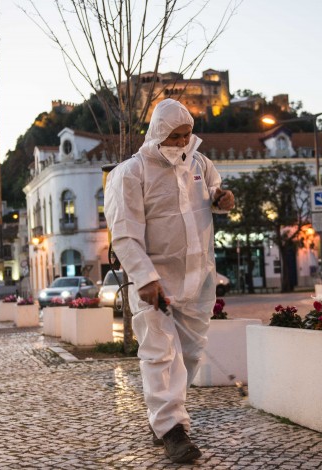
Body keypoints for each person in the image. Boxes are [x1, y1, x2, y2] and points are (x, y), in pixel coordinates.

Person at [104, 98, 235, 464]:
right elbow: (125, 233)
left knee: (190, 354)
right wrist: (144, 277)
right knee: (160, 354)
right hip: (155, 282)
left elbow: (215, 196)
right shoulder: (131, 173)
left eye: (187, 134)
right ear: (159, 133)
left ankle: (164, 418)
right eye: (175, 136)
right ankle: (172, 431)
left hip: (198, 278)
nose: (181, 141)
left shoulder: (200, 163)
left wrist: (224, 200)